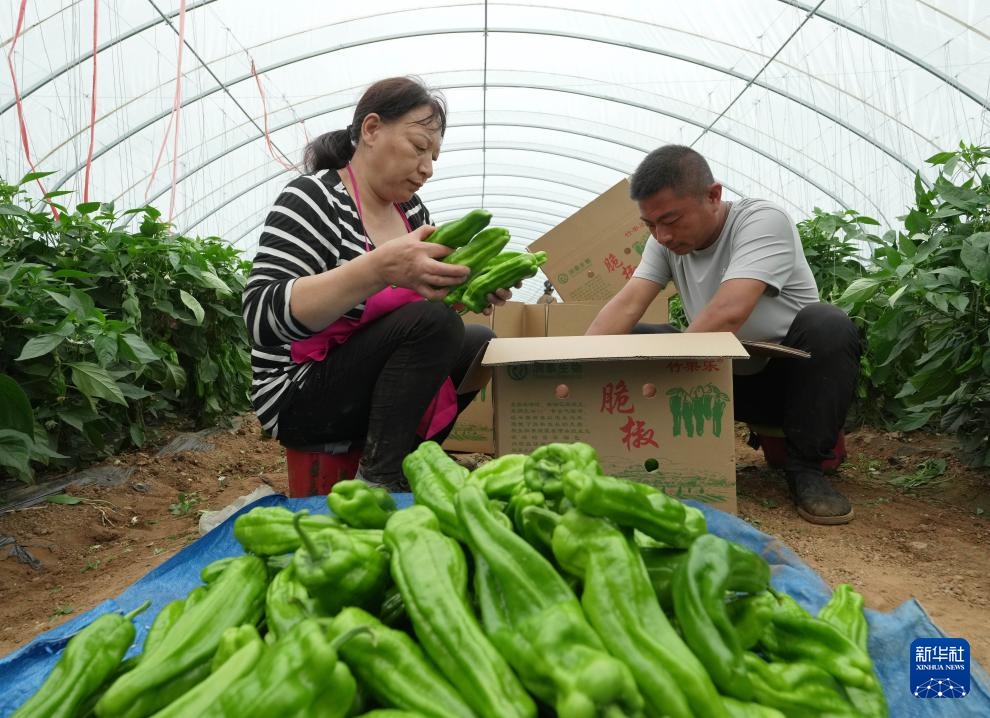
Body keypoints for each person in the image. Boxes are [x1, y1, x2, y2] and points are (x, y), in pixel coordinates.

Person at [242, 76, 511, 490]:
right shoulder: (315, 199)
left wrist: (468, 287)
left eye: (434, 156)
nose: (427, 167)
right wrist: (378, 268)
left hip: (364, 383)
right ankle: (382, 478)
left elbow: (421, 316)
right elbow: (260, 318)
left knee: (477, 340)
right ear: (371, 130)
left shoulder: (413, 213)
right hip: (300, 393)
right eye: (419, 148)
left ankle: (410, 458)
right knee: (433, 322)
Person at [586, 145, 862, 525]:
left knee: (828, 323)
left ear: (713, 195)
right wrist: (573, 365)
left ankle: (806, 470)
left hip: (790, 387)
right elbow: (627, 305)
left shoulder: (762, 221)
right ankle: (649, 453)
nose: (662, 236)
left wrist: (664, 375)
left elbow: (729, 311)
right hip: (722, 380)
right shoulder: (663, 243)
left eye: (671, 219)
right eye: (650, 225)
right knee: (631, 335)